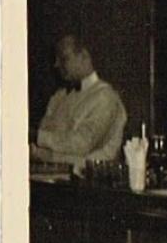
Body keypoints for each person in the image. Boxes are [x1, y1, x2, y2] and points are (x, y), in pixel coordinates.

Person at [32, 34, 127, 173]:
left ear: (84, 56)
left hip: (89, 183)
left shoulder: (105, 97)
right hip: (52, 178)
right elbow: (46, 139)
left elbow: (83, 144)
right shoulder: (59, 97)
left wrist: (38, 137)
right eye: (56, 59)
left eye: (64, 58)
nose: (56, 65)